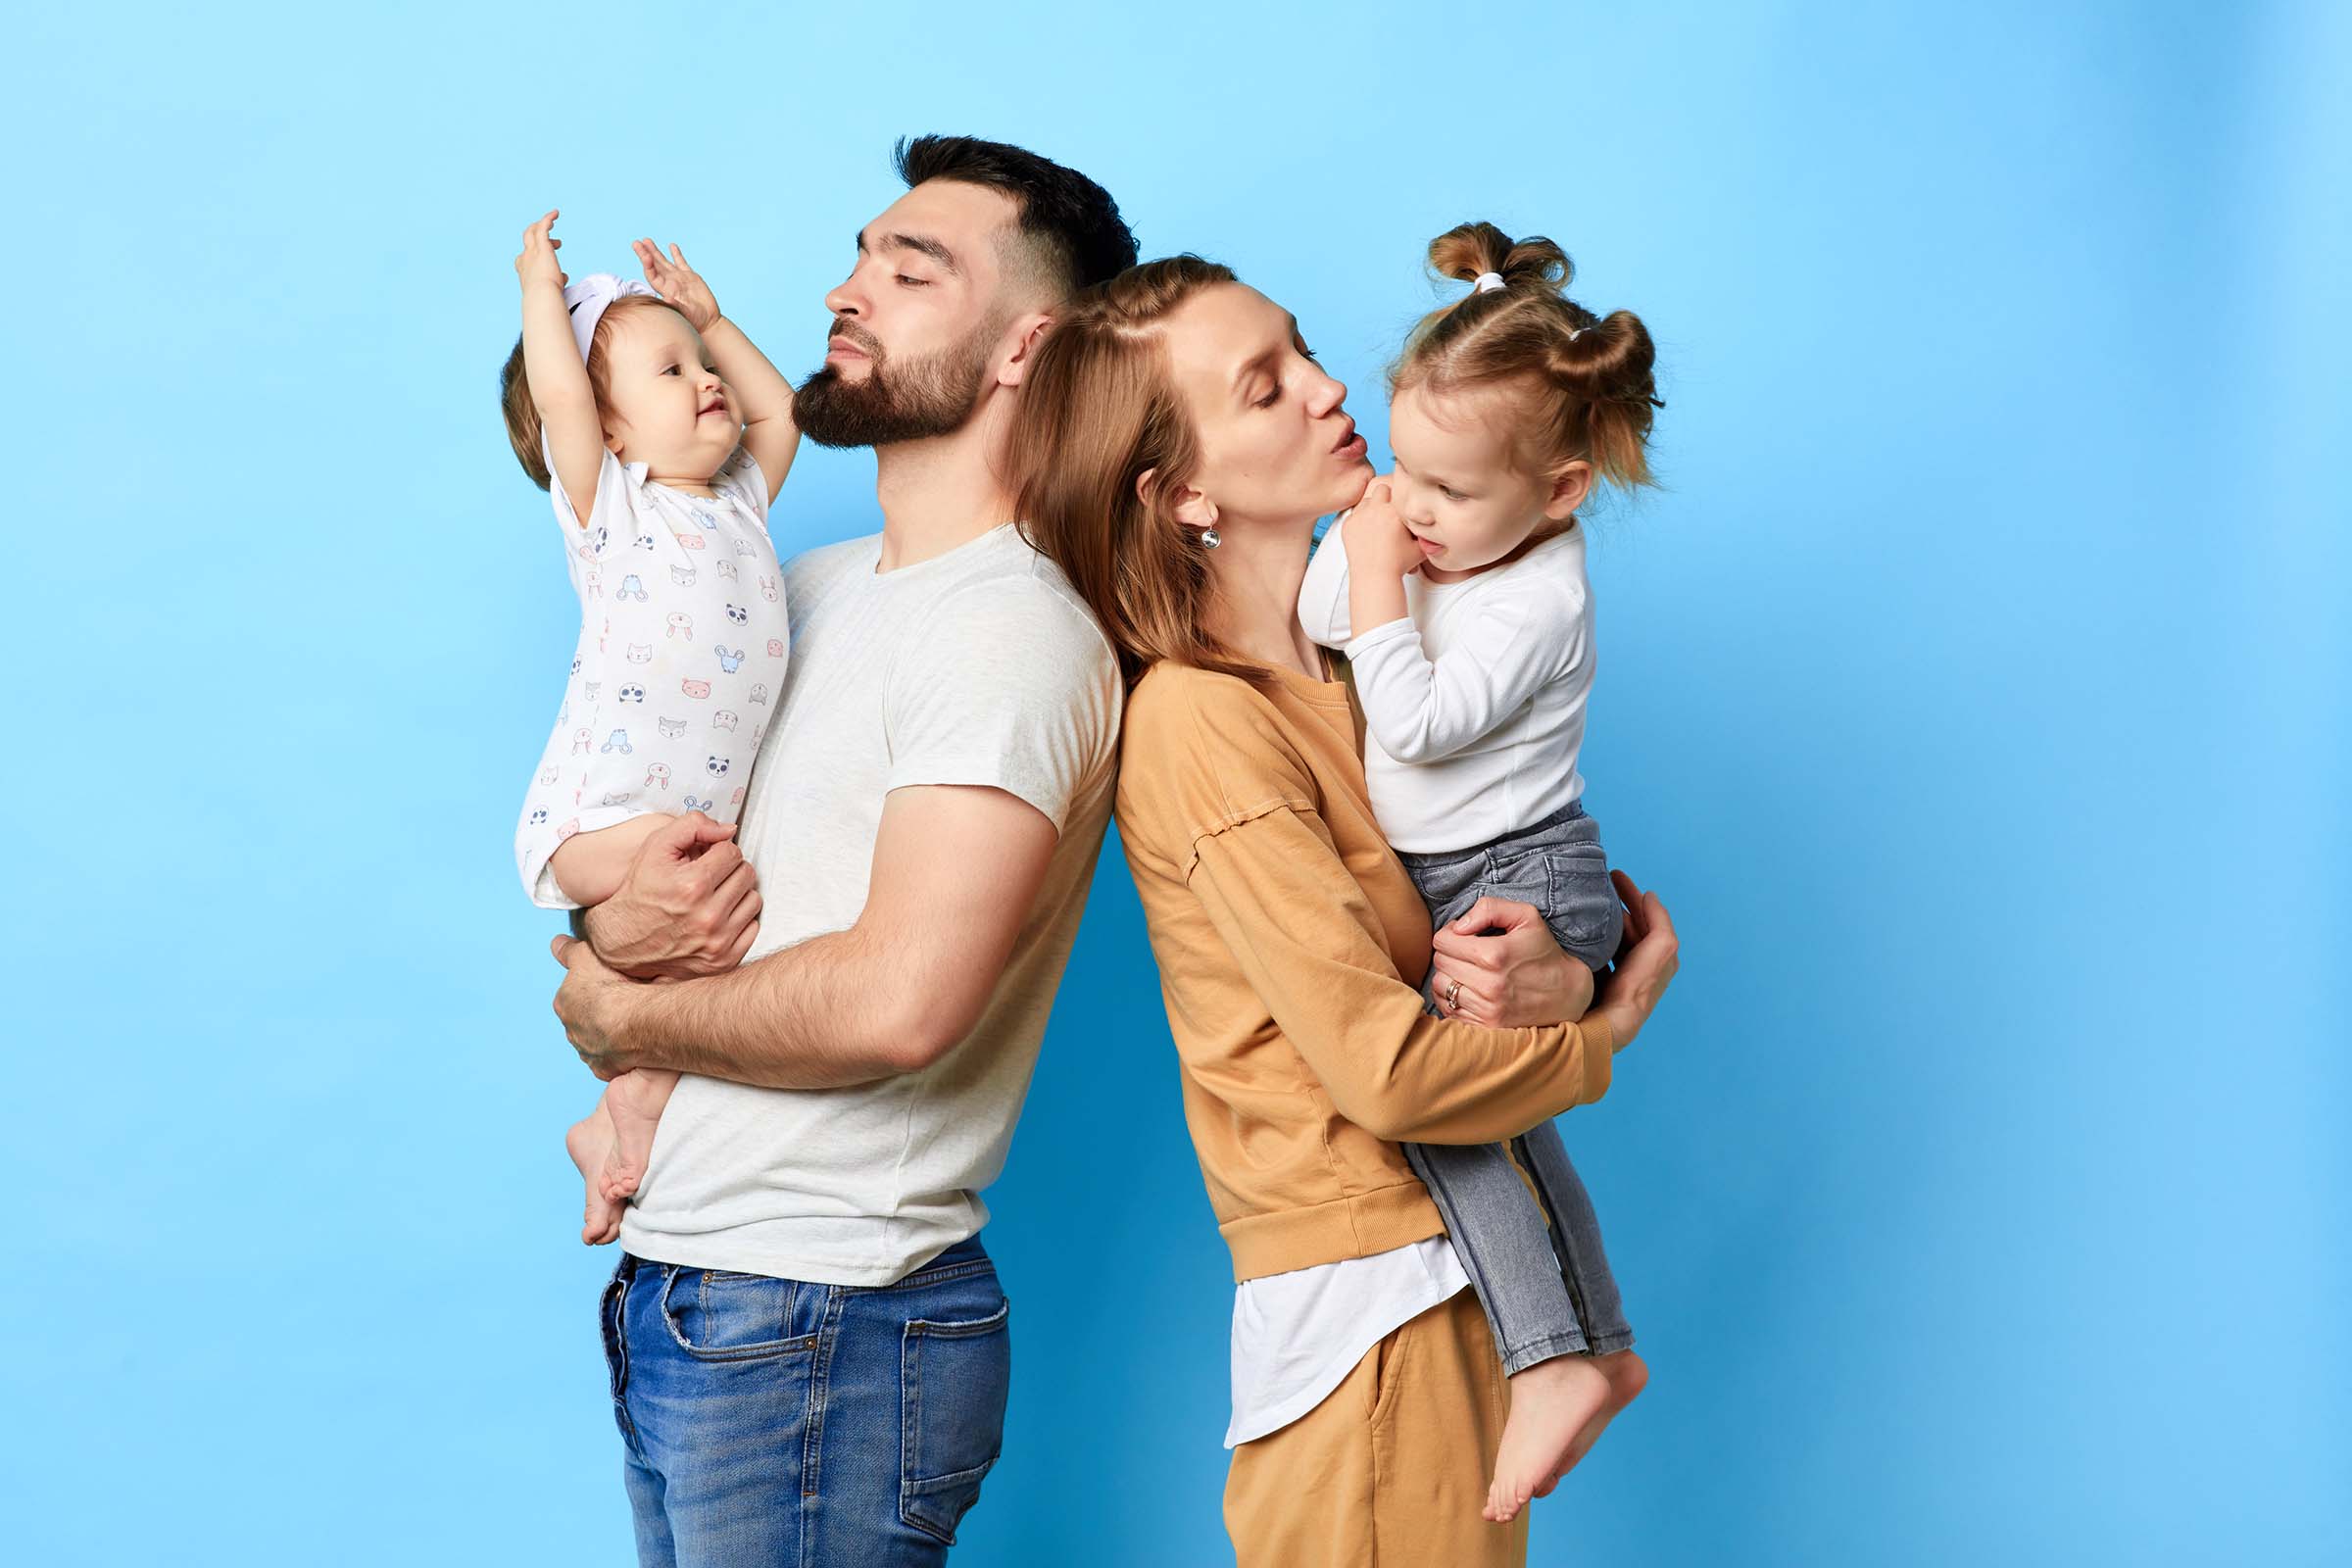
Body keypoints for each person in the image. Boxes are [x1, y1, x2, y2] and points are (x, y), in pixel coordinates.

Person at [1010, 256, 1680, 1567]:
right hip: (1373, 1311)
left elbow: (1498, 883)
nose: (1327, 390)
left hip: (1464, 1281)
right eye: (1265, 389)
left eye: (1304, 350)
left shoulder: (1366, 661)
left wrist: (1564, 975)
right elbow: (1386, 1070)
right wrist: (1610, 1027)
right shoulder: (1203, 722)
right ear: (1182, 493)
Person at [543, 136, 1138, 1566]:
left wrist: (621, 1013)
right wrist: (609, 938)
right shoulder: (797, 587)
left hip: (824, 1319)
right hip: (702, 1293)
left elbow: (899, 1004)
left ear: (1026, 347)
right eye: (862, 254)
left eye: (910, 271)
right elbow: (672, 864)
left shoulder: (1011, 631)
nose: (844, 291)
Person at [1295, 220, 1664, 1522]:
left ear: (1560, 492)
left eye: (1448, 490)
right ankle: (1596, 1345)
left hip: (1527, 876)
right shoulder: (1438, 544)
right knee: (1505, 1123)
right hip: (1460, 871)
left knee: (1444, 1113)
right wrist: (1374, 554)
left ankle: (1551, 1358)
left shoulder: (1540, 598)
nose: (1412, 507)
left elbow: (1417, 720)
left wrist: (1376, 572)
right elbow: (1322, 615)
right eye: (1403, 469)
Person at [503, 216, 800, 1247]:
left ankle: (615, 1124)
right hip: (602, 817)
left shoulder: (741, 502)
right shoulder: (615, 513)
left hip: (691, 831)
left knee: (705, 979)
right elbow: (559, 399)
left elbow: (782, 412)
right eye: (671, 371)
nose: (707, 379)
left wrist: (715, 323)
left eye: (702, 365)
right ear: (611, 429)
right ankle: (621, 1107)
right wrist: (541, 294)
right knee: (703, 919)